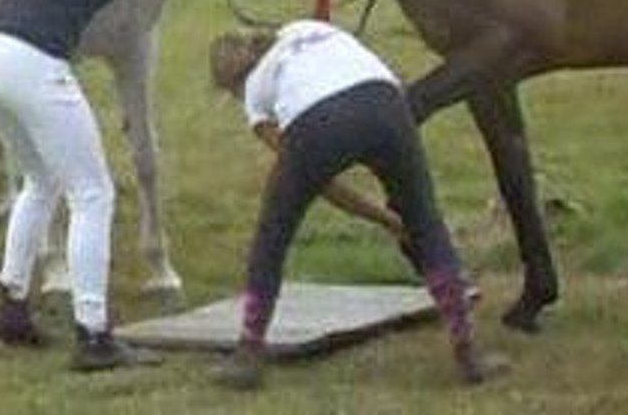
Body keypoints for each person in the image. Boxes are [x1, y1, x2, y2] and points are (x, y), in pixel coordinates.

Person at [0, 0, 331, 372]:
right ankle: (94, 336)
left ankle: (12, 308)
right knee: (93, 194)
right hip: (31, 63)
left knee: (40, 183)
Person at [207, 20, 509, 389]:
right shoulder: (306, 27)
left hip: (317, 122)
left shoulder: (255, 91)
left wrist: (382, 219)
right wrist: (395, 220)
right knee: (426, 222)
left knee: (273, 232)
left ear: (234, 85)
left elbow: (321, 182)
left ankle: (249, 353)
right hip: (386, 101)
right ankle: (468, 352)